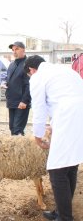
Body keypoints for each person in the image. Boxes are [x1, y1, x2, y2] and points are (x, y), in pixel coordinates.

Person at [24, 55, 83, 221]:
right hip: (78, 118)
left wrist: (37, 135)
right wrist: (54, 124)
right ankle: (61, 212)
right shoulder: (64, 70)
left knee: (57, 170)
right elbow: (62, 99)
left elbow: (39, 108)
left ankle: (65, 218)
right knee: (70, 165)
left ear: (31, 70)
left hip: (68, 117)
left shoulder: (37, 77)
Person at [5, 41, 31, 135]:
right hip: (12, 101)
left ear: (23, 50)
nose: (14, 51)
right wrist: (5, 83)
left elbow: (29, 84)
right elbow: (8, 78)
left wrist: (25, 101)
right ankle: (15, 149)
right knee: (12, 127)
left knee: (17, 129)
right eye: (13, 50)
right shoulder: (12, 64)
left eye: (17, 49)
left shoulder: (28, 64)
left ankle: (20, 149)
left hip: (21, 102)